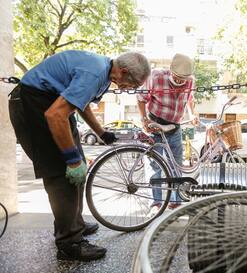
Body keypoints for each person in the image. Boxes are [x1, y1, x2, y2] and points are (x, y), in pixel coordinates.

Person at [8, 50, 151, 261]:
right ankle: (69, 245)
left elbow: (79, 102)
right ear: (123, 71)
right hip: (33, 104)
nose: (132, 89)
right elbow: (55, 115)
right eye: (134, 85)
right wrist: (71, 160)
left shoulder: (103, 73)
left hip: (51, 102)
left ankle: (74, 225)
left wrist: (101, 132)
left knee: (79, 166)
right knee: (62, 173)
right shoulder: (94, 73)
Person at [137, 53, 197, 211]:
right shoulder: (156, 77)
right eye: (176, 77)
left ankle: (176, 202)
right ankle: (155, 203)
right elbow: (141, 98)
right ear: (171, 70)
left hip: (175, 127)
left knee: (176, 166)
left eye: (182, 78)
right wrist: (144, 120)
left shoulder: (190, 81)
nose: (179, 81)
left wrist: (192, 114)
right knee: (154, 166)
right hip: (155, 124)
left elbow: (190, 98)